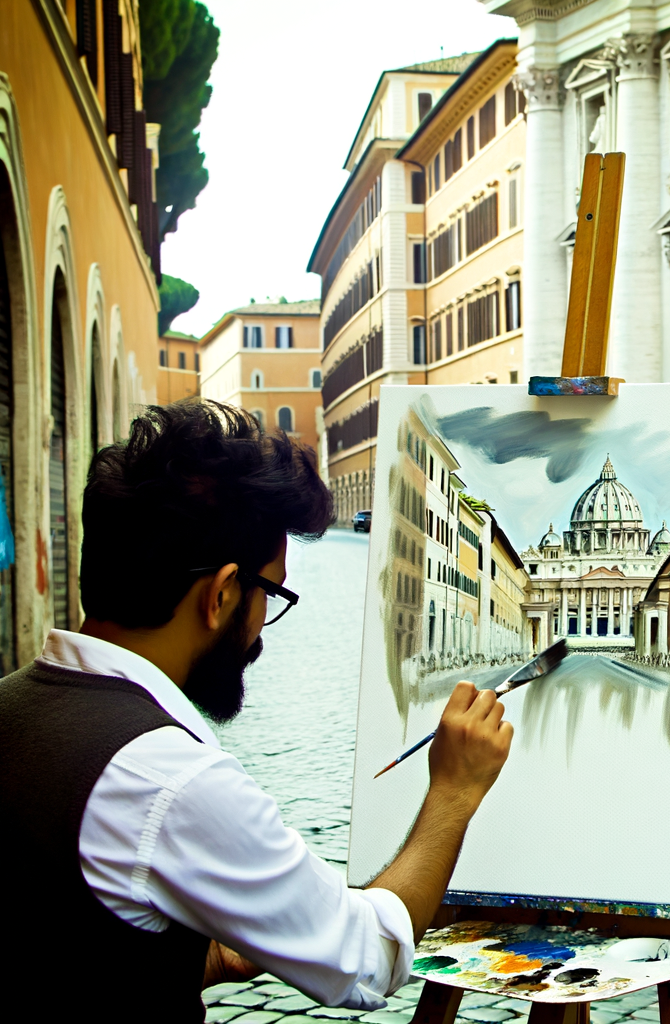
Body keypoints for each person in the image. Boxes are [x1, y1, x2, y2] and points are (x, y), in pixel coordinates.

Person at [0, 400, 512, 1022]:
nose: (264, 626)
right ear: (220, 594)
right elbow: (364, 957)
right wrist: (453, 793)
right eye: (271, 592)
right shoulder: (169, 780)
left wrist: (194, 958)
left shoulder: (12, 706)